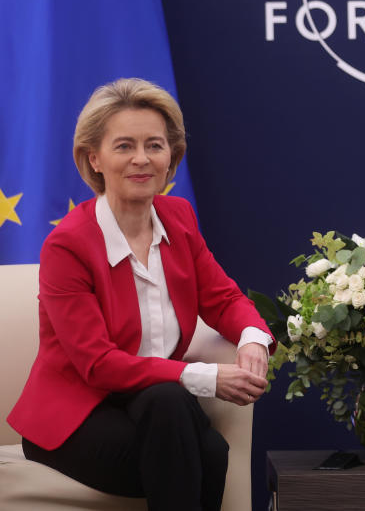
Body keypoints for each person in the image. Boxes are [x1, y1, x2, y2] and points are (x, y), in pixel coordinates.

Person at [7, 78, 274, 510]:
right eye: (124, 146)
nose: (141, 159)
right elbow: (97, 364)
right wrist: (208, 377)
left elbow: (223, 299)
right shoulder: (68, 246)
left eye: (154, 145)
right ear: (94, 158)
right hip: (77, 418)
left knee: (181, 420)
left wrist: (253, 340)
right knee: (201, 447)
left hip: (155, 407)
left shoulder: (179, 217)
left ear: (171, 157)